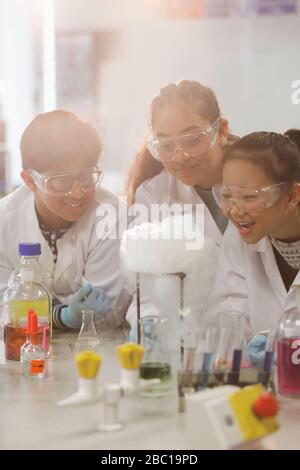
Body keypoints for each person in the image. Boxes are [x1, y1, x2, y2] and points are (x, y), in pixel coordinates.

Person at [124, 80, 239, 336]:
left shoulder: (261, 180)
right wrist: (149, 322)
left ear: (221, 130)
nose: (179, 156)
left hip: (266, 336)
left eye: (192, 140)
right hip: (189, 340)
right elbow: (146, 288)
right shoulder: (153, 195)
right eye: (166, 145)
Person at [0, 109, 128, 329]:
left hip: (98, 350)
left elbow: (103, 313)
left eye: (87, 177)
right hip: (24, 351)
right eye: (61, 181)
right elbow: (5, 311)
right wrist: (61, 316)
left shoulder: (113, 216)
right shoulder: (5, 222)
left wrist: (34, 308)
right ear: (30, 180)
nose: (77, 193)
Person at [205, 131, 300, 365]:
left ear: (293, 195)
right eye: (227, 195)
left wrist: (282, 344)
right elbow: (228, 306)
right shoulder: (239, 234)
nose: (234, 211)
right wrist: (233, 343)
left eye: (249, 197)